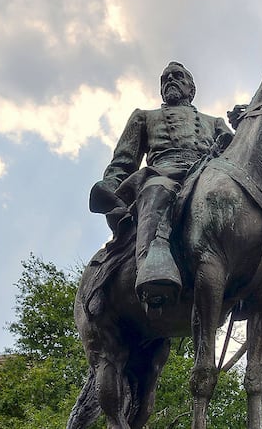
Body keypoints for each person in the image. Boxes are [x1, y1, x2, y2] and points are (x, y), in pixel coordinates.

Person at [89, 62, 233, 308]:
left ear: (191, 88)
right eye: (165, 79)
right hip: (162, 172)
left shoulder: (215, 122)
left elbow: (239, 156)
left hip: (208, 174)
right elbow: (124, 160)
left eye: (177, 77)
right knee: (156, 190)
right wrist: (111, 186)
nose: (170, 81)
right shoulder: (144, 117)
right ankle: (150, 268)